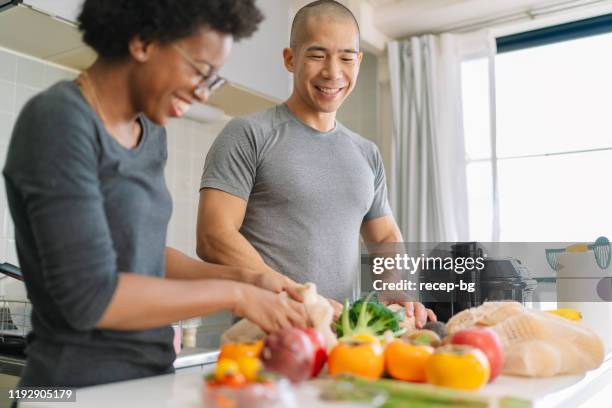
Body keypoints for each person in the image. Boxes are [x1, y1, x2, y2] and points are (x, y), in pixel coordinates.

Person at [3, 0, 307, 388]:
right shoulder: (58, 121)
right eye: (201, 71)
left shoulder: (151, 131)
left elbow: (146, 257)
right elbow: (90, 298)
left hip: (148, 380)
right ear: (143, 42)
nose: (202, 93)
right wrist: (236, 295)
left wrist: (250, 279)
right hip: (70, 389)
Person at [197, 0, 436, 327]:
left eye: (346, 58)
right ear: (290, 59)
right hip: (265, 335)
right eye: (317, 54)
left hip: (344, 339)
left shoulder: (367, 153)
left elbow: (383, 238)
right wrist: (302, 297)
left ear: (358, 61)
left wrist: (395, 286)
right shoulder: (248, 134)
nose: (333, 72)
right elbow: (214, 236)